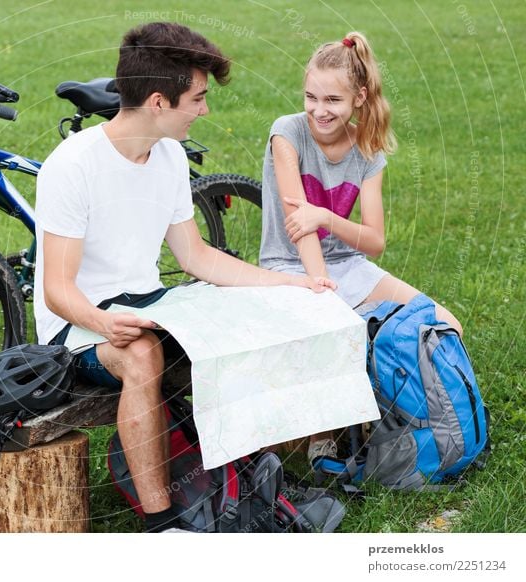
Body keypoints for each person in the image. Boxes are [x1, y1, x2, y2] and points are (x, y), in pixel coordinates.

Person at [34, 21, 335, 532]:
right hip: (80, 327)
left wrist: (289, 284)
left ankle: (260, 480)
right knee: (141, 354)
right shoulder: (72, 165)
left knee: (251, 321)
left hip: (150, 304)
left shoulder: (170, 156)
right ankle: (163, 524)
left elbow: (197, 257)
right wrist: (106, 325)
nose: (204, 109)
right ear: (157, 102)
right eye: (196, 98)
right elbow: (57, 291)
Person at [259, 31, 463, 464]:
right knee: (333, 333)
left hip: (347, 265)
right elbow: (301, 229)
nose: (318, 110)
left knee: (446, 324)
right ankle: (322, 443)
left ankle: (414, 421)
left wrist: (328, 217)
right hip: (293, 266)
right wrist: (319, 284)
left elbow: (374, 241)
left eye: (332, 100)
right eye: (311, 97)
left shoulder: (368, 152)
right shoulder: (287, 133)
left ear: (359, 98)